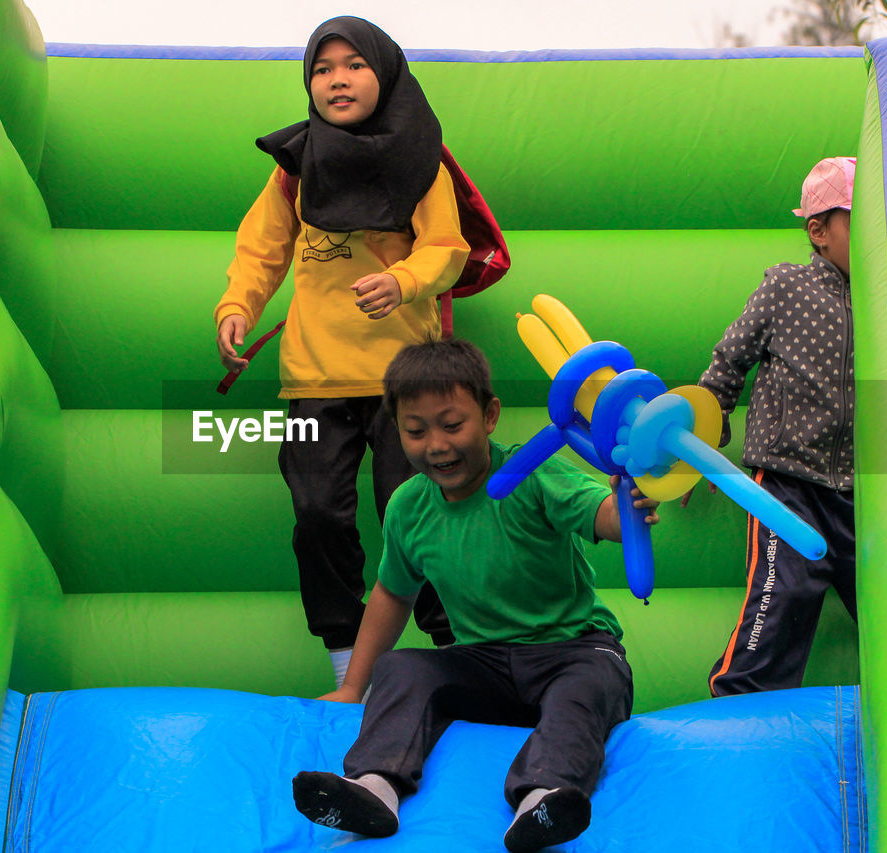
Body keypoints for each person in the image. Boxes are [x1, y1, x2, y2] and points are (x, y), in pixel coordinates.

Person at [291, 339, 657, 852]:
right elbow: (393, 595)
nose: (435, 445)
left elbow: (604, 516)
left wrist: (636, 498)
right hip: (481, 662)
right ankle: (374, 787)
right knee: (403, 668)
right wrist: (353, 688)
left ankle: (542, 797)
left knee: (592, 681)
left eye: (451, 424)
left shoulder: (530, 471)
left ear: (489, 416)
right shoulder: (409, 505)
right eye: (415, 431)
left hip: (571, 650)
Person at [214, 16, 469, 685]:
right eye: (322, 69)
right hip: (313, 376)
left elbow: (447, 249)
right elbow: (262, 248)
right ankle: (345, 656)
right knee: (316, 513)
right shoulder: (295, 165)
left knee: (416, 506)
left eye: (353, 64)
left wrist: (403, 279)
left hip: (405, 379)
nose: (337, 79)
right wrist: (237, 307)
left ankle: (455, 651)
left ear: (383, 74)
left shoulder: (422, 161)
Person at [690, 156, 857, 697]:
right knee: (779, 597)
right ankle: (739, 701)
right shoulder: (786, 287)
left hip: (864, 491)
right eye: (862, 223)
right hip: (787, 485)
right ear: (819, 230)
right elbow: (728, 362)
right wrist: (704, 446)